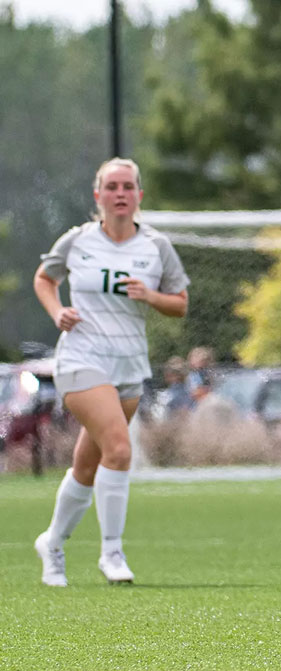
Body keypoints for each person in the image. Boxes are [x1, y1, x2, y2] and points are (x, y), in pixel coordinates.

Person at [32, 158, 190, 586]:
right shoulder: (77, 241)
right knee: (119, 449)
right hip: (81, 359)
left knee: (88, 466)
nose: (120, 193)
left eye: (128, 187)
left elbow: (180, 303)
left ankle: (53, 543)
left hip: (128, 366)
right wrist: (57, 310)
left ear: (139, 196)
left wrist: (151, 296)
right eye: (112, 186)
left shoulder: (156, 247)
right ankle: (112, 553)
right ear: (97, 195)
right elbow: (44, 279)